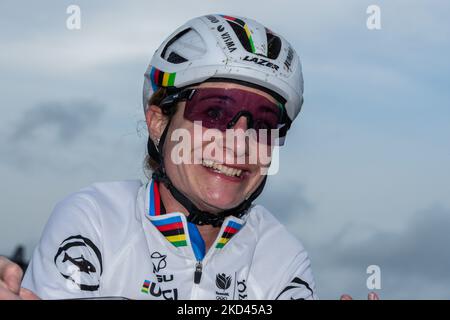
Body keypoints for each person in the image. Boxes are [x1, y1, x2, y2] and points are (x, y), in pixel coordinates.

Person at [0, 14, 316, 300]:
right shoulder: (95, 219)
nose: (239, 142)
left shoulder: (281, 256)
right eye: (216, 111)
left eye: (263, 123)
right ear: (158, 122)